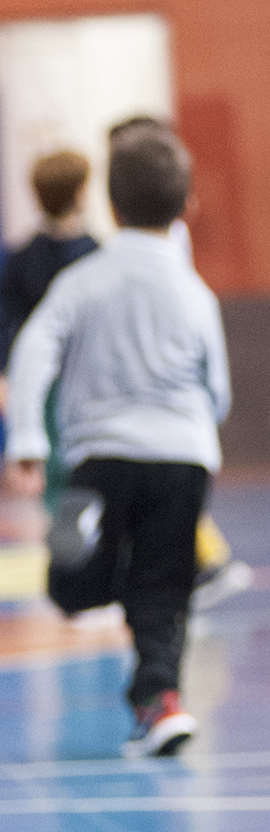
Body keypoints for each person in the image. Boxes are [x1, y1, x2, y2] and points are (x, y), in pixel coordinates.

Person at [4, 124, 231, 758]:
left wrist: (28, 437)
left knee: (69, 583)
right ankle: (160, 698)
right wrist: (196, 430)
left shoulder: (82, 283)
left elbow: (32, 351)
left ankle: (104, 569)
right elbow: (216, 389)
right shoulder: (196, 293)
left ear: (111, 204)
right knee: (165, 589)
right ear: (186, 207)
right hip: (183, 460)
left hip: (99, 460)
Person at [106, 115, 250, 612]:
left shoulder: (164, 244)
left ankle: (204, 564)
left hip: (164, 386)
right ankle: (193, 565)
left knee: (163, 485)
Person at [0, 149, 99, 511]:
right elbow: (6, 318)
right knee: (57, 461)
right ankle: (65, 528)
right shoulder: (34, 257)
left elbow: (3, 317)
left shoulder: (93, 253)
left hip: (79, 375)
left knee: (79, 458)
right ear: (80, 193)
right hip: (54, 377)